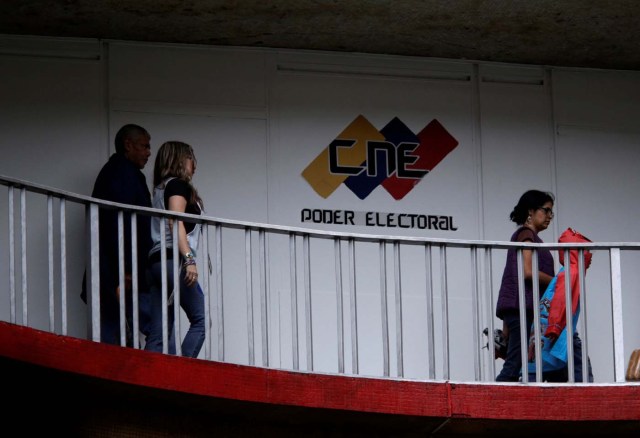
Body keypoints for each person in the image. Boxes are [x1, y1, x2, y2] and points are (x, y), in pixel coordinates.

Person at [81, 124, 153, 346]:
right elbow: (121, 224)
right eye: (144, 146)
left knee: (119, 333)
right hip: (118, 274)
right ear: (128, 145)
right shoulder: (122, 173)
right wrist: (127, 270)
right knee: (119, 335)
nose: (149, 152)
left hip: (114, 273)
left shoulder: (118, 171)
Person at [144, 141, 206, 358]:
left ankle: (147, 377)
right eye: (191, 158)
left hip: (156, 262)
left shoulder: (161, 188)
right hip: (173, 261)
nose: (195, 165)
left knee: (160, 330)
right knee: (200, 320)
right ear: (180, 160)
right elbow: (175, 221)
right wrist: (189, 259)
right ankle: (183, 373)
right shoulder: (178, 185)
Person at [495, 189, 556, 382]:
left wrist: (505, 331)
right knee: (515, 363)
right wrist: (558, 281)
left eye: (551, 212)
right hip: (521, 308)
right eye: (546, 210)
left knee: (519, 361)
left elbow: (513, 278)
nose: (549, 216)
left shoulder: (529, 236)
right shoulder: (526, 234)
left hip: (520, 308)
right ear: (531, 211)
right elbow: (527, 271)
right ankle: (495, 399)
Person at [527, 227, 594, 382]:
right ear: (577, 252)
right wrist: (555, 326)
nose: (590, 257)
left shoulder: (564, 272)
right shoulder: (572, 273)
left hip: (546, 330)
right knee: (582, 374)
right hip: (557, 329)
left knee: (542, 370)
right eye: (587, 252)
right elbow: (560, 300)